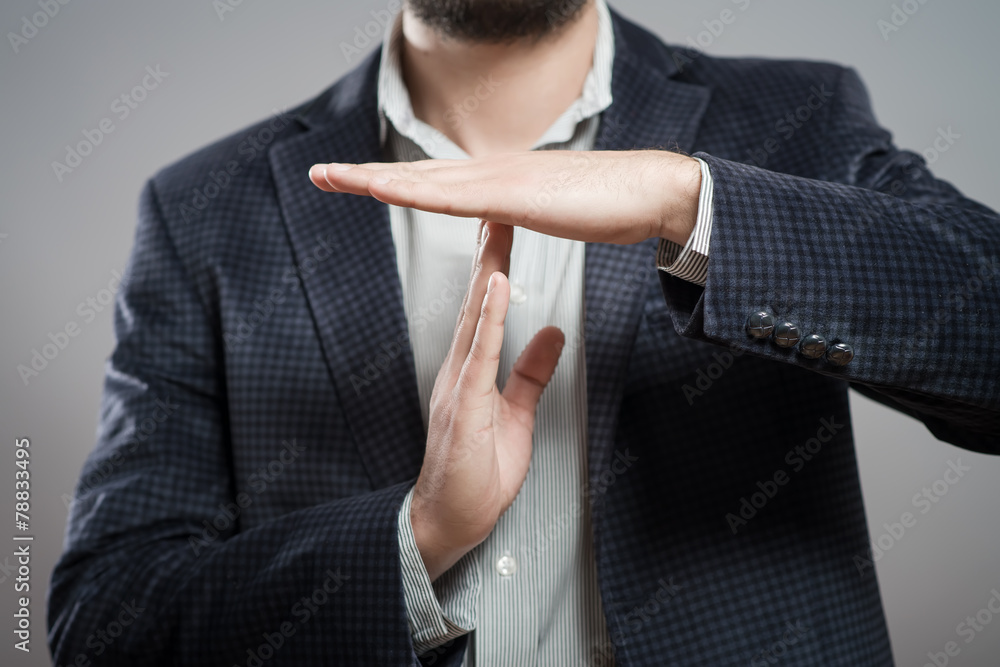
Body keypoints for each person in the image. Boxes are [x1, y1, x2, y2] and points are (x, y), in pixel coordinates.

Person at [48, 0, 1000, 665]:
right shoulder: (203, 208)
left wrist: (687, 204)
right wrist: (416, 537)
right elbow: (104, 621)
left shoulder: (797, 116)